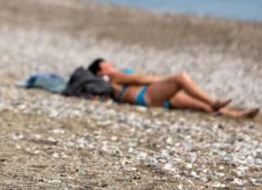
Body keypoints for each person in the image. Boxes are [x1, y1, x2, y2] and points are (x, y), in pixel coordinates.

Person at [89, 58, 259, 119]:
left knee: (198, 105)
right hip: (146, 96)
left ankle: (237, 114)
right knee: (181, 78)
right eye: (107, 65)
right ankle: (213, 102)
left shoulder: (113, 79)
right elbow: (140, 78)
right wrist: (165, 80)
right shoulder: (113, 78)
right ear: (100, 72)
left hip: (153, 96)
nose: (111, 65)